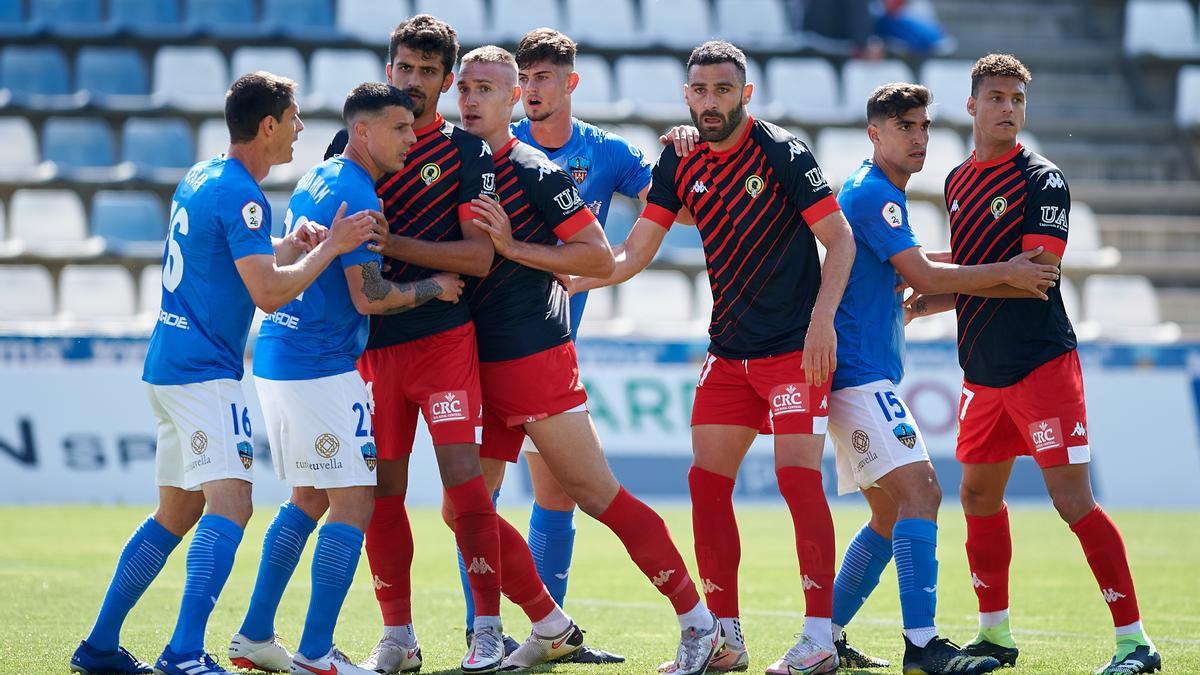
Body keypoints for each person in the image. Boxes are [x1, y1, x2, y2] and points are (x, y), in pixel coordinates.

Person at [69, 72, 384, 675]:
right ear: (268, 125)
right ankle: (184, 652)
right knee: (233, 502)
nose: (299, 131)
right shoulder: (243, 193)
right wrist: (332, 246)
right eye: (293, 119)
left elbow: (236, 262)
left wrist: (289, 245)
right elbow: (267, 295)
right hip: (204, 375)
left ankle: (100, 646)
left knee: (178, 511)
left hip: (168, 366)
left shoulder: (202, 175)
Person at [570, 40, 857, 675]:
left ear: (745, 94)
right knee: (705, 484)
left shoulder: (784, 153)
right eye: (699, 91)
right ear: (687, 95)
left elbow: (839, 240)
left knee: (797, 479)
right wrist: (585, 277)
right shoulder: (679, 161)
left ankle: (818, 639)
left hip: (792, 353)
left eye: (722, 90)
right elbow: (637, 250)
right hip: (728, 353)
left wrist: (820, 324)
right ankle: (725, 637)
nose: (710, 102)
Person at [449, 45, 723, 675]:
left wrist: (515, 248)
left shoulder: (538, 170)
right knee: (465, 508)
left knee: (596, 495)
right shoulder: (454, 163)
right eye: (463, 87)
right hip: (475, 363)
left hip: (537, 358)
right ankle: (536, 626)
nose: (470, 99)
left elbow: (599, 259)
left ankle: (697, 622)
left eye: (486, 89)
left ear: (513, 97)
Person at [906, 53, 1161, 675]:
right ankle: (995, 636)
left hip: (1042, 365)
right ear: (971, 106)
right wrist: (925, 294)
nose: (1008, 110)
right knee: (977, 496)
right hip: (981, 371)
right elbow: (978, 267)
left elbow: (1034, 277)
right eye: (996, 98)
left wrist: (940, 281)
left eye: (1017, 100)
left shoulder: (1044, 180)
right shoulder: (958, 181)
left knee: (1072, 500)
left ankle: (1136, 644)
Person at [229, 83, 467, 675]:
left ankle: (256, 635)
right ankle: (313, 653)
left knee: (308, 498)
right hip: (318, 365)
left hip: (284, 354)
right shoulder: (356, 193)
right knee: (357, 499)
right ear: (363, 132)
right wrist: (436, 286)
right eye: (400, 128)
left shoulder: (321, 175)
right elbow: (370, 296)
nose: (412, 138)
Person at [822, 81, 1058, 675]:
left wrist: (975, 273)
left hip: (857, 370)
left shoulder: (872, 189)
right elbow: (924, 277)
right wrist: (1005, 269)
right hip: (857, 373)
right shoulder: (877, 194)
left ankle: (822, 635)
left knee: (887, 513)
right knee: (923, 492)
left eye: (924, 126)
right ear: (875, 133)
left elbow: (920, 276)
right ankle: (923, 647)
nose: (919, 138)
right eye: (905, 127)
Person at [318, 15, 517, 674]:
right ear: (388, 68)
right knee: (382, 491)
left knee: (466, 488)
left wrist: (391, 245)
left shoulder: (465, 153)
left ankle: (486, 630)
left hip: (443, 344)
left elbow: (479, 257)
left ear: (446, 79)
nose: (412, 82)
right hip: (371, 347)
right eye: (403, 68)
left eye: (427, 72)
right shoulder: (347, 147)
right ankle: (397, 635)